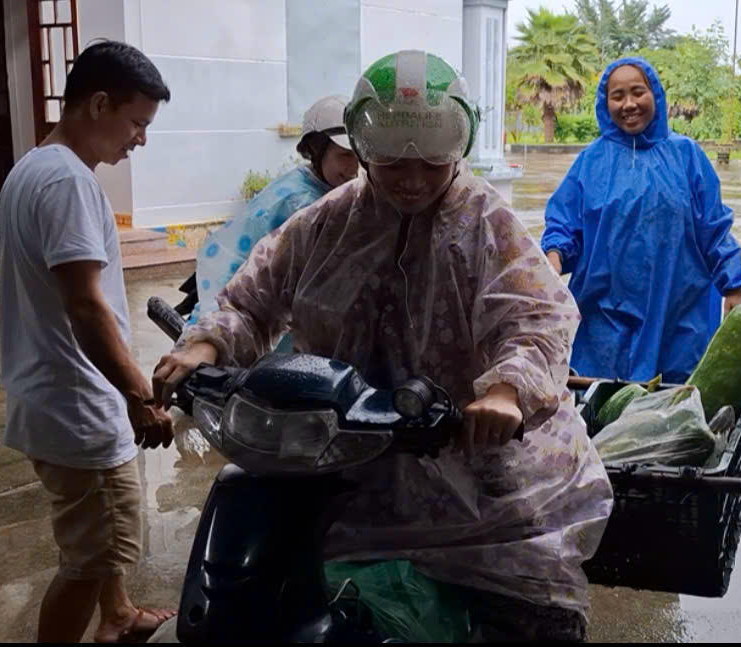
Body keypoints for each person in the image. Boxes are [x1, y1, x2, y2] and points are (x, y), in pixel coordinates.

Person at [153, 50, 613, 642]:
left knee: (533, 617)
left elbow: (536, 319)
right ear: (362, 146)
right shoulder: (325, 220)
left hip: (474, 471)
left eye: (431, 162)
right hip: (345, 460)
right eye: (393, 161)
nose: (413, 179)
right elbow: (251, 296)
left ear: (459, 150)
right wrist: (205, 346)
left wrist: (505, 393)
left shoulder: (487, 223)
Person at [0, 40, 176, 643]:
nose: (140, 140)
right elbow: (85, 304)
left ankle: (119, 616)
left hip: (48, 394)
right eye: (136, 122)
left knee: (96, 537)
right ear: (99, 104)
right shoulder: (68, 183)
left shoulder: (34, 167)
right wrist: (139, 394)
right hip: (77, 407)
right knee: (91, 556)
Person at [541, 57, 741, 384]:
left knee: (671, 411)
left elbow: (714, 227)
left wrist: (733, 288)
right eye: (618, 96)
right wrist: (553, 259)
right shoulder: (591, 162)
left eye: (637, 92)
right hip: (606, 320)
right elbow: (564, 224)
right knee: (606, 414)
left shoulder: (687, 156)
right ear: (604, 102)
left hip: (679, 315)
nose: (629, 104)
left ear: (655, 93)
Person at [187, 94, 360, 353]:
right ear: (316, 150)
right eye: (344, 155)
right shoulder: (303, 203)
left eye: (358, 155)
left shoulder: (312, 183)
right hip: (242, 307)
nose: (353, 167)